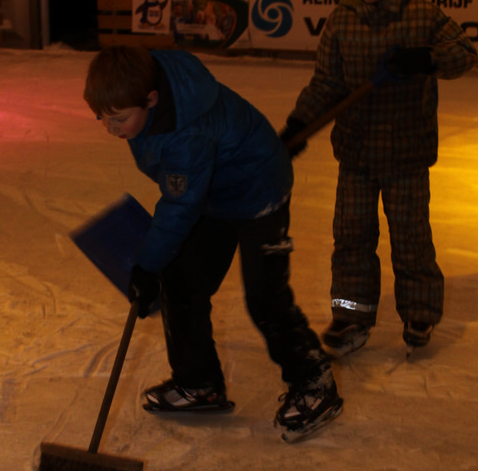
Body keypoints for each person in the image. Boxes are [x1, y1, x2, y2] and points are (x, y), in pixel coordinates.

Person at [83, 45, 342, 441]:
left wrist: (147, 266)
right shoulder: (145, 82)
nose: (110, 129)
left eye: (119, 119)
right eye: (102, 118)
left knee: (265, 297)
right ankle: (198, 382)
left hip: (258, 193)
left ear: (150, 99)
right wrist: (156, 267)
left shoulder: (186, 135)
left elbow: (179, 206)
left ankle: (314, 380)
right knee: (182, 283)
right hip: (214, 192)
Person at [279, 0, 477, 355]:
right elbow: (326, 83)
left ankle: (420, 311)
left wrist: (426, 58)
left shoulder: (422, 14)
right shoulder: (342, 20)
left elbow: (464, 53)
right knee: (351, 237)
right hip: (357, 155)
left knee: (410, 237)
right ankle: (352, 315)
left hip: (407, 154)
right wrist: (299, 125)